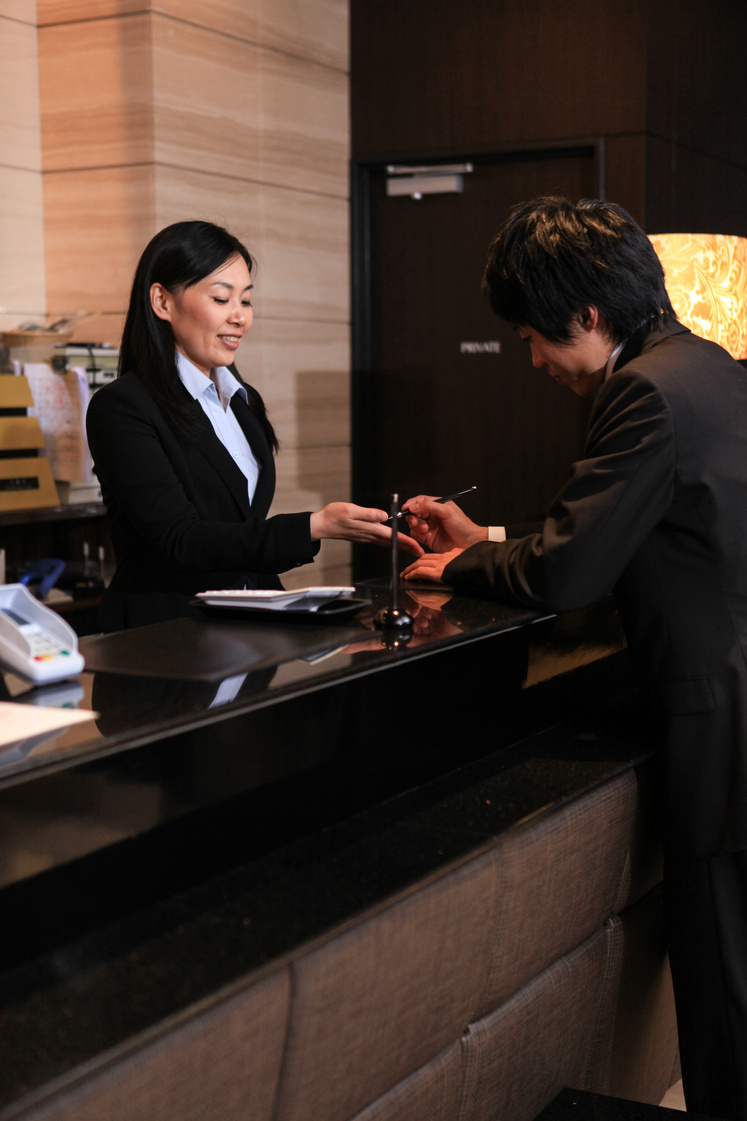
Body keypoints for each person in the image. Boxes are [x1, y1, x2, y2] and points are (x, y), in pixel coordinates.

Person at [402, 196, 747, 1120]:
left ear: (587, 316)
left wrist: (460, 560)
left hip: (719, 720)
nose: (535, 361)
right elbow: (641, 526)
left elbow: (568, 569)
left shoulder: (641, 390)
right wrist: (493, 534)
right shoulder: (706, 367)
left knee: (722, 989)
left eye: (530, 336)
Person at [87, 220, 420, 631]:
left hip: (245, 628)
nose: (240, 318)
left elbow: (241, 528)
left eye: (245, 301)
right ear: (162, 302)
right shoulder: (122, 407)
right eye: (221, 298)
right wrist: (315, 525)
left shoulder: (243, 400)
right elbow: (181, 541)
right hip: (164, 635)